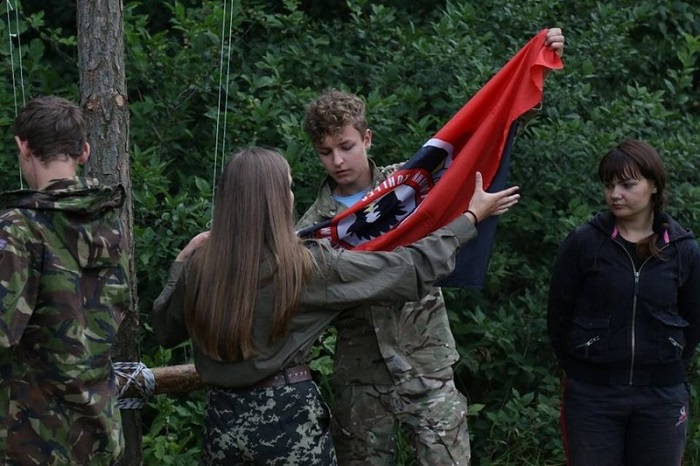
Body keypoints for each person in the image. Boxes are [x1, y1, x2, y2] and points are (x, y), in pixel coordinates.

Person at [295, 27, 564, 466]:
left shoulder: (415, 185)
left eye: (346, 146)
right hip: (362, 373)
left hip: (427, 360)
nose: (338, 161)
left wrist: (537, 63)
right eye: (325, 152)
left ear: (367, 138)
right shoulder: (314, 228)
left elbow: (489, 134)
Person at [151, 146, 520, 465]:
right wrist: (470, 218)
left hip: (222, 422)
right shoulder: (306, 267)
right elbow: (409, 270)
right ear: (276, 199)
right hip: (288, 420)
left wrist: (182, 262)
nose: (294, 196)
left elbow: (166, 332)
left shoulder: (201, 266)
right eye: (290, 187)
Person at [547, 139, 700, 466]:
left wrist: (668, 360)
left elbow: (694, 317)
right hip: (592, 397)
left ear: (654, 186)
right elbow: (558, 314)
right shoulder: (584, 242)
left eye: (628, 184)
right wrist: (582, 366)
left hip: (662, 397)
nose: (615, 193)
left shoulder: (683, 249)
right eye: (609, 185)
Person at [0, 96, 130, 465]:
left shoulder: (18, 229)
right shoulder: (110, 225)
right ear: (84, 151)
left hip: (32, 444)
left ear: (23, 146)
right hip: (100, 435)